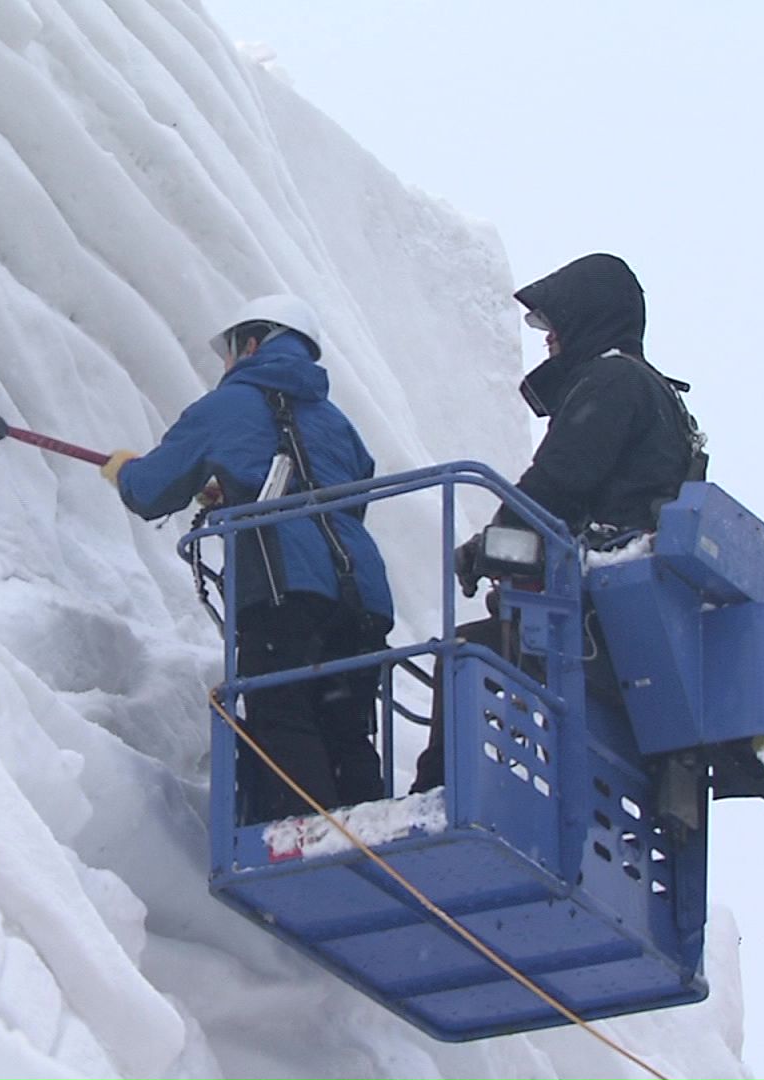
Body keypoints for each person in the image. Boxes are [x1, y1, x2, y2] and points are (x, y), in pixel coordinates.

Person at [412, 253, 706, 792]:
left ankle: (441, 796)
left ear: (587, 317)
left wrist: (488, 549)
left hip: (591, 620)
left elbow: (557, 485)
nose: (546, 340)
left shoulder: (611, 382)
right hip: (631, 629)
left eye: (552, 324)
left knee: (469, 655)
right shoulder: (661, 397)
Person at [103, 295, 395, 824]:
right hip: (362, 594)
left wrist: (123, 469)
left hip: (282, 587)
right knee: (346, 724)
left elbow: (151, 490)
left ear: (253, 342)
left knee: (282, 712)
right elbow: (341, 496)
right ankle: (370, 834)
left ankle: (306, 838)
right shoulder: (336, 422)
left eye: (230, 351)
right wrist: (239, 490)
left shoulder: (229, 404)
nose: (227, 365)